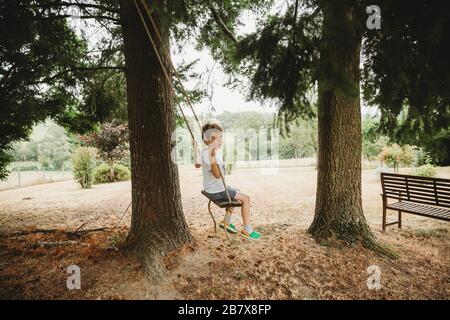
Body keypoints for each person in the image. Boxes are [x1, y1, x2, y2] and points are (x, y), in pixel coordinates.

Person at [196, 121, 261, 240]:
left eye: (220, 137)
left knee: (236, 191)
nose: (219, 140)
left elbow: (197, 164)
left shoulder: (204, 151)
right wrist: (214, 161)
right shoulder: (211, 154)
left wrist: (197, 151)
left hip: (210, 189)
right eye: (214, 138)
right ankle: (247, 230)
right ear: (207, 140)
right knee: (246, 199)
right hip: (217, 191)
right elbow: (217, 175)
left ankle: (226, 221)